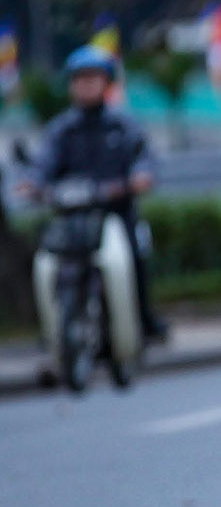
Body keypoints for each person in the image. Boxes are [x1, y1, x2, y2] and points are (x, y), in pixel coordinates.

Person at [28, 45, 167, 343]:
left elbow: (143, 157)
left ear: (106, 83)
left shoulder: (123, 124)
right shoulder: (61, 130)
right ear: (70, 84)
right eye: (80, 79)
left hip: (116, 213)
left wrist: (140, 177)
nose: (86, 84)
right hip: (72, 215)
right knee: (49, 262)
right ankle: (56, 327)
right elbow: (43, 165)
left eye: (93, 78)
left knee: (132, 257)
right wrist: (34, 184)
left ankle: (142, 319)